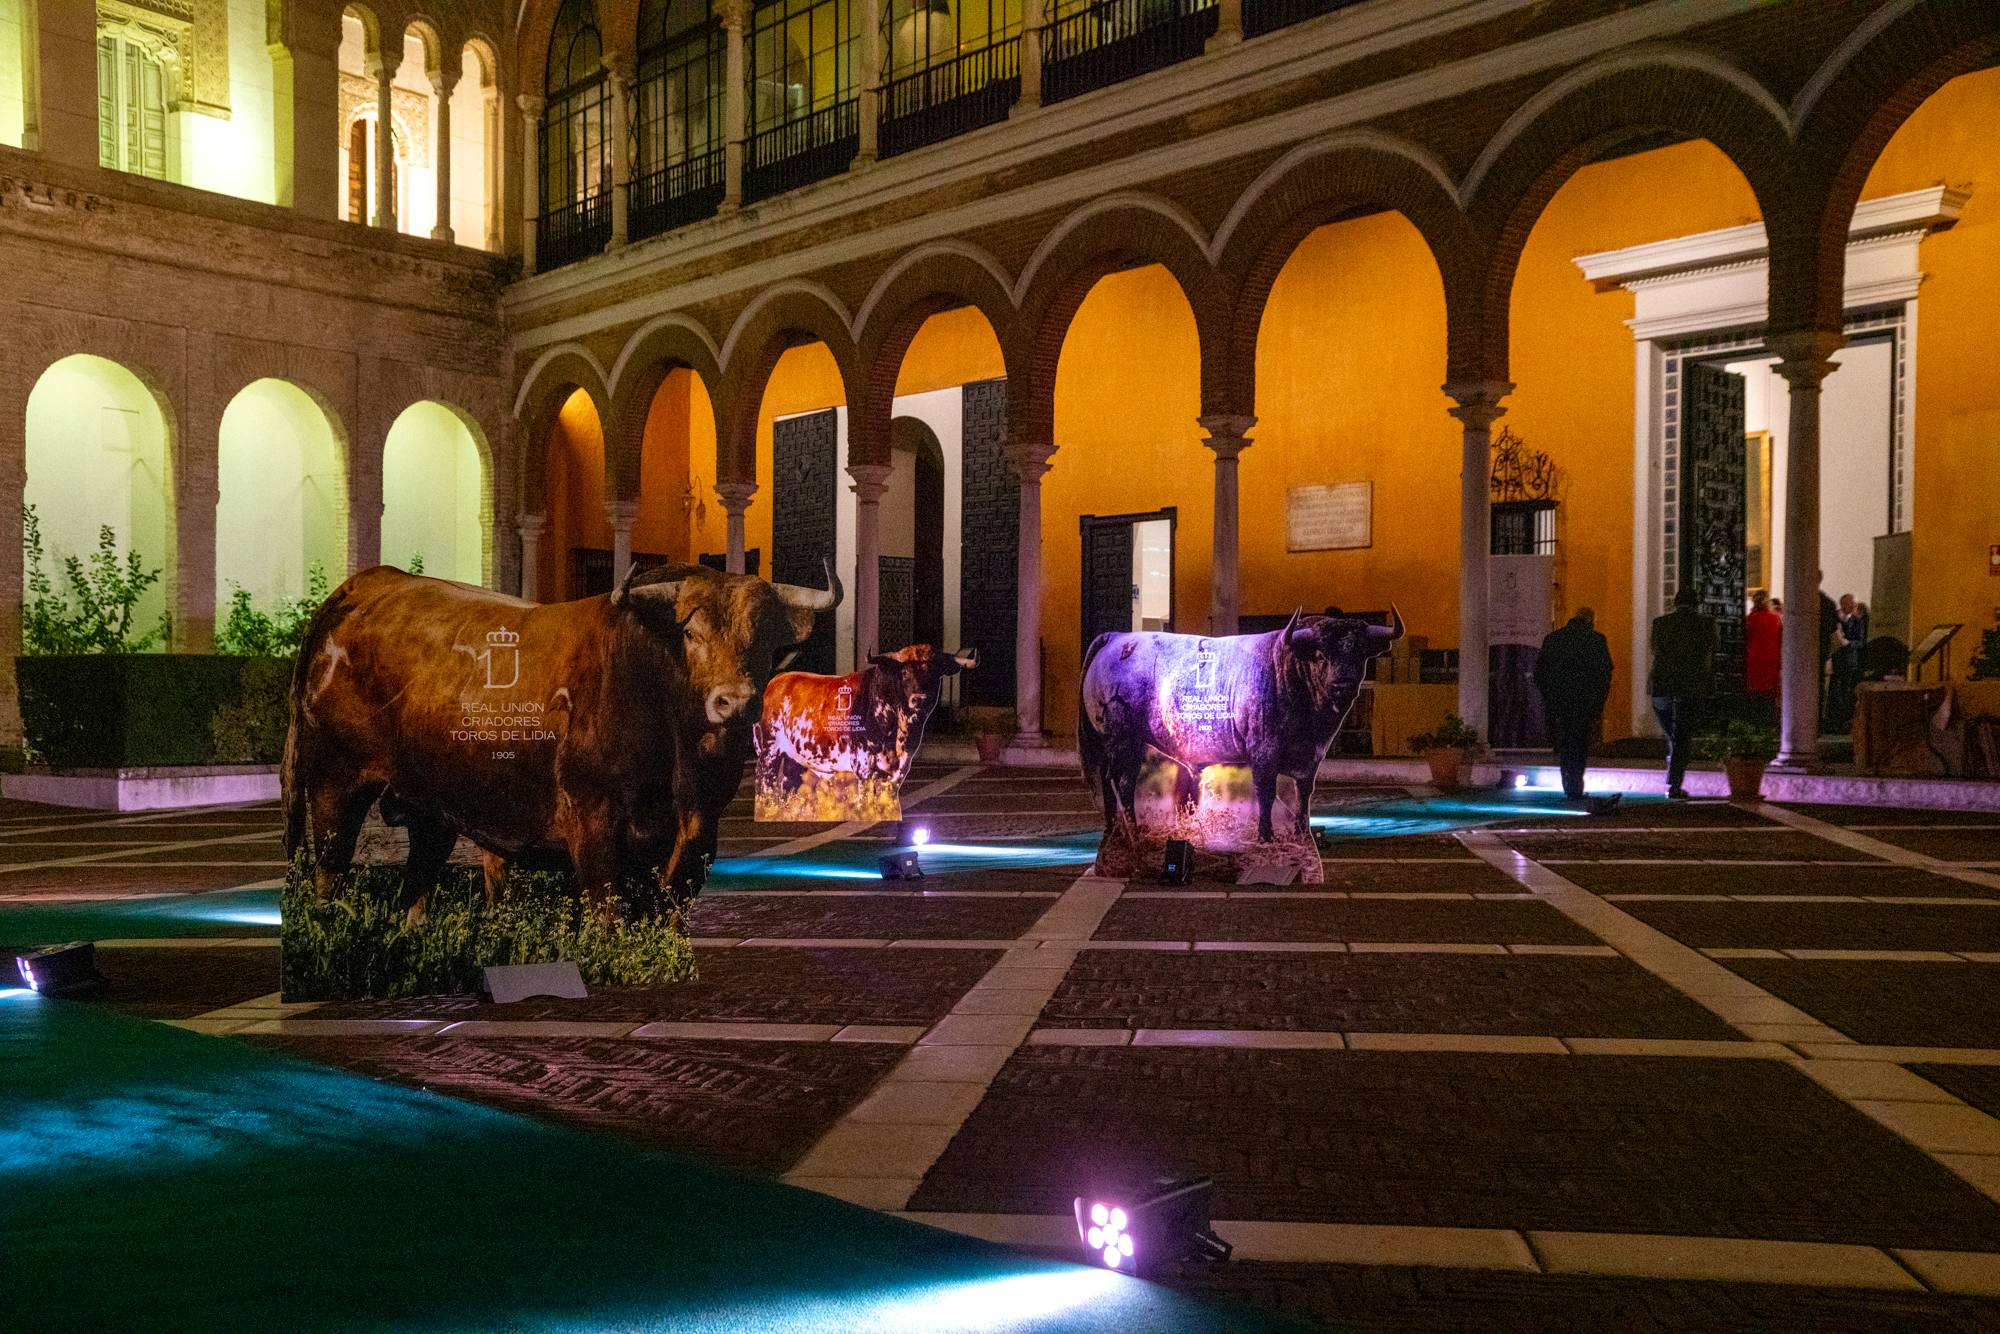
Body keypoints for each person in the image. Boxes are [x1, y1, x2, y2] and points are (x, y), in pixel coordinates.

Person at [1534, 608, 1614, 801]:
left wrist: (1550, 697)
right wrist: (1598, 702)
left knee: (1565, 743)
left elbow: (1540, 673)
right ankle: (1574, 785)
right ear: (1590, 620)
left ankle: (1569, 784)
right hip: (1585, 702)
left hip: (1559, 702)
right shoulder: (1596, 640)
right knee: (1579, 744)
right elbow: (1604, 674)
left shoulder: (1553, 639)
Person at [1650, 587, 1716, 799]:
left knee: (1674, 733)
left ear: (1675, 603)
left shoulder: (1660, 623)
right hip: (1690, 685)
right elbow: (1711, 650)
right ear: (1696, 603)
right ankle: (1675, 783)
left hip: (1662, 685)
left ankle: (1674, 771)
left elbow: (1655, 650)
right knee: (1682, 735)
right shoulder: (1705, 624)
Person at [1744, 590, 1782, 721]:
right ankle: (1769, 720)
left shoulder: (1750, 619)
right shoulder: (1775, 619)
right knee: (1769, 692)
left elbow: (1745, 638)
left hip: (1754, 658)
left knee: (1755, 691)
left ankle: (1754, 720)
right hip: (1772, 658)